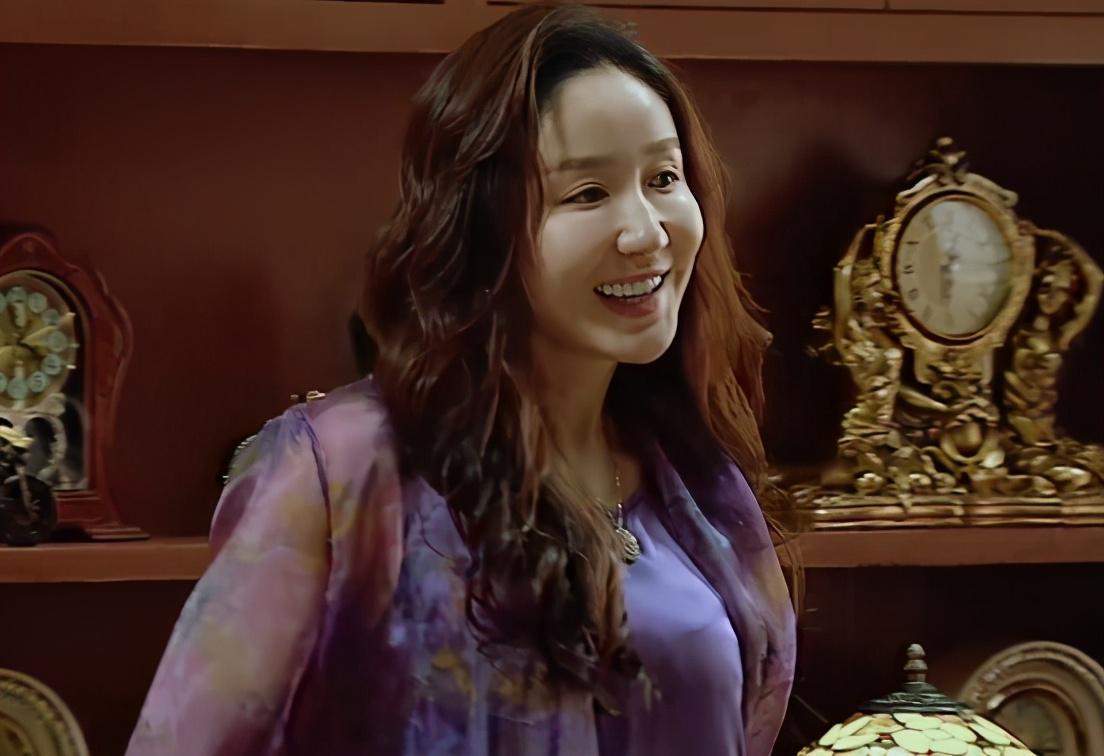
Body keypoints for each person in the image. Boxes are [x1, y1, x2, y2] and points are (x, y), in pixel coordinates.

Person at [127, 5, 796, 754]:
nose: (646, 231)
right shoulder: (343, 471)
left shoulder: (698, 479)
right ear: (482, 227)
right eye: (587, 193)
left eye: (664, 177)